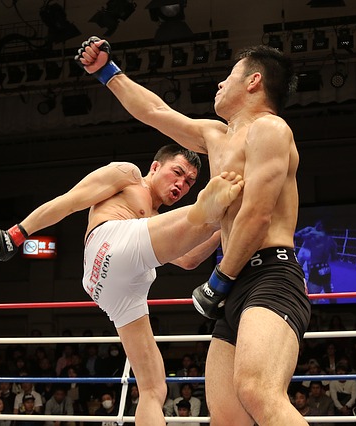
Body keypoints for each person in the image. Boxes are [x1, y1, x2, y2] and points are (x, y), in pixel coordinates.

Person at [76, 35, 311, 426]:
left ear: (253, 81)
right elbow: (154, 110)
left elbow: (257, 216)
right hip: (236, 281)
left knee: (259, 392)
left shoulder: (270, 129)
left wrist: (220, 279)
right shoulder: (215, 137)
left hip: (270, 274)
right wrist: (107, 73)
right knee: (227, 417)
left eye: (229, 76)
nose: (220, 83)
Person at [0, 144, 245, 426]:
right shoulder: (128, 176)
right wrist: (17, 234)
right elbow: (70, 201)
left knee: (154, 387)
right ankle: (233, 199)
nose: (181, 184)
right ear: (155, 167)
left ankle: (225, 209)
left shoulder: (157, 223)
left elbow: (189, 258)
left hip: (117, 287)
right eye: (177, 172)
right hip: (109, 245)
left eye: (190, 182)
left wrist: (225, 223)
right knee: (211, 211)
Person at [295, 220, 338, 303]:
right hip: (326, 269)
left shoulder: (313, 234)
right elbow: (334, 258)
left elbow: (297, 237)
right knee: (329, 293)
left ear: (321, 225)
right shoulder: (332, 240)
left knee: (312, 297)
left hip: (316, 268)